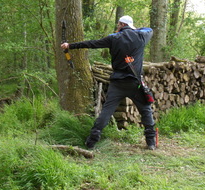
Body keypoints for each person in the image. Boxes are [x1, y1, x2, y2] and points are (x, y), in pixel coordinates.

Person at [61, 15, 156, 150]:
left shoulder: (113, 38)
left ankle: (91, 141)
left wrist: (70, 45)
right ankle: (151, 143)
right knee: (146, 110)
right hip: (135, 83)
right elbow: (149, 29)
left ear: (121, 25)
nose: (117, 27)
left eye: (119, 25)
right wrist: (132, 30)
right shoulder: (141, 36)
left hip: (117, 83)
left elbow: (92, 43)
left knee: (106, 112)